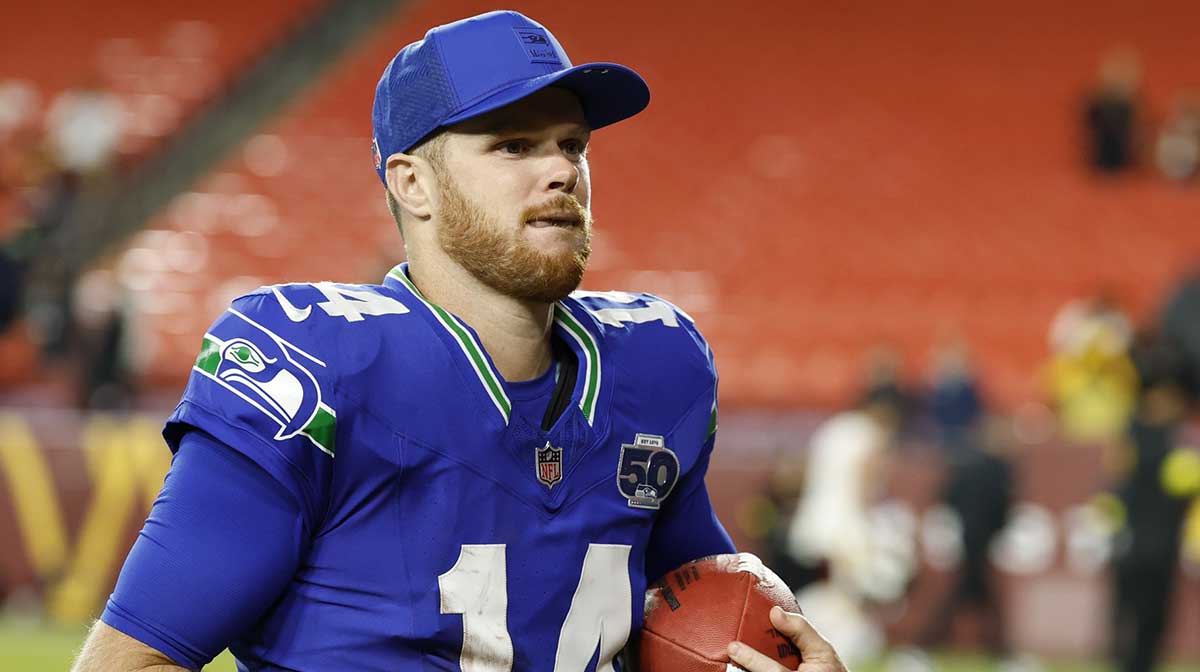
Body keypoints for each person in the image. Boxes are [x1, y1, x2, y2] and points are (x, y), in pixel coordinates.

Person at [72, 11, 848, 672]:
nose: (560, 172)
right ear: (414, 183)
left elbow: (698, 604)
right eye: (513, 146)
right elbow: (135, 658)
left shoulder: (657, 364)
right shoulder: (317, 364)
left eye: (572, 145)